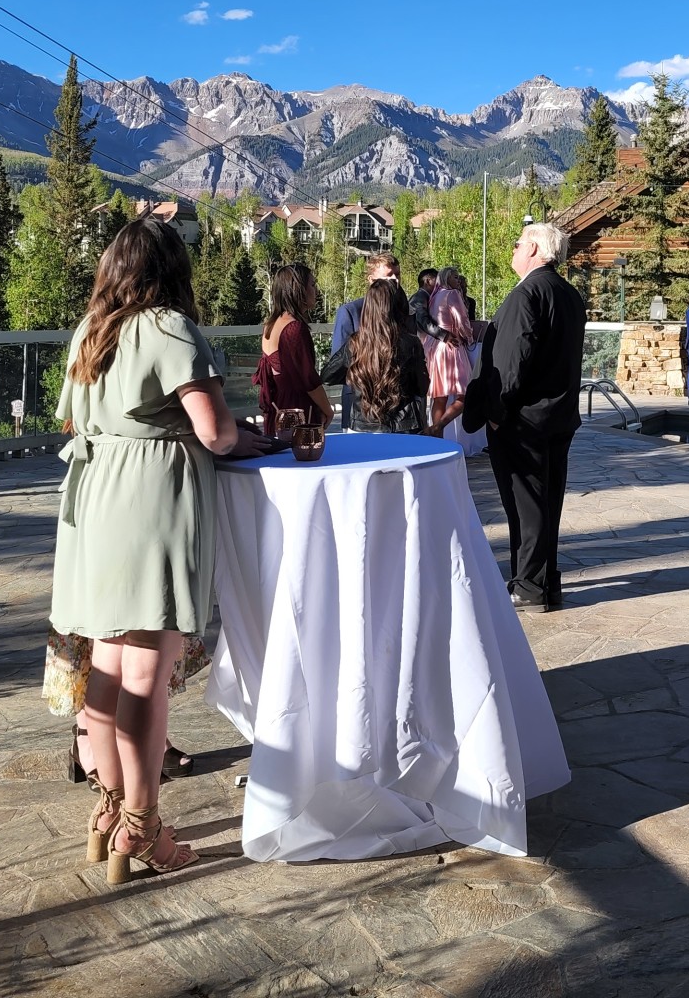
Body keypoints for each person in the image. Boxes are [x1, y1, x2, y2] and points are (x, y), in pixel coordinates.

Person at [49, 218, 266, 882]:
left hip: (93, 508)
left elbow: (73, 420)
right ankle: (142, 826)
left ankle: (109, 815)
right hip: (151, 508)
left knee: (107, 673)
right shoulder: (169, 328)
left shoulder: (92, 332)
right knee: (144, 680)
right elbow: (218, 433)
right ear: (173, 270)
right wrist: (249, 436)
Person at [467, 222, 584, 612]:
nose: (513, 249)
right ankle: (546, 582)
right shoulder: (569, 294)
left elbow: (511, 361)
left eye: (518, 243)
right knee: (547, 503)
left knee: (526, 506)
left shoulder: (527, 293)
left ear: (535, 249)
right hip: (558, 417)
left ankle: (529, 587)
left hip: (523, 421)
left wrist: (497, 413)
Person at [320, 279, 429, 432]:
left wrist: (357, 375)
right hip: (402, 427)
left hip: (362, 425)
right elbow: (422, 388)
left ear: (368, 308)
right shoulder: (411, 343)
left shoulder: (355, 343)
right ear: (398, 308)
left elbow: (327, 376)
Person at [256, 262, 332, 437]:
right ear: (299, 290)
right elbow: (308, 379)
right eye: (312, 285)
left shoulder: (271, 324)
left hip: (279, 408)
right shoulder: (294, 329)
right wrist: (327, 409)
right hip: (296, 412)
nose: (316, 291)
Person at [331, 252, 403, 427]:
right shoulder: (351, 311)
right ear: (371, 280)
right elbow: (339, 364)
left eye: (397, 274)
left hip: (398, 410)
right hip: (360, 407)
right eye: (388, 276)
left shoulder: (404, 312)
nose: (394, 279)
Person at [426, 265, 477, 431]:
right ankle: (438, 426)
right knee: (466, 393)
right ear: (447, 278)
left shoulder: (435, 296)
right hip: (452, 347)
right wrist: (469, 338)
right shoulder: (452, 294)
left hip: (436, 347)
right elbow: (462, 320)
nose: (458, 280)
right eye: (455, 277)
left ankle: (436, 439)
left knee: (439, 397)